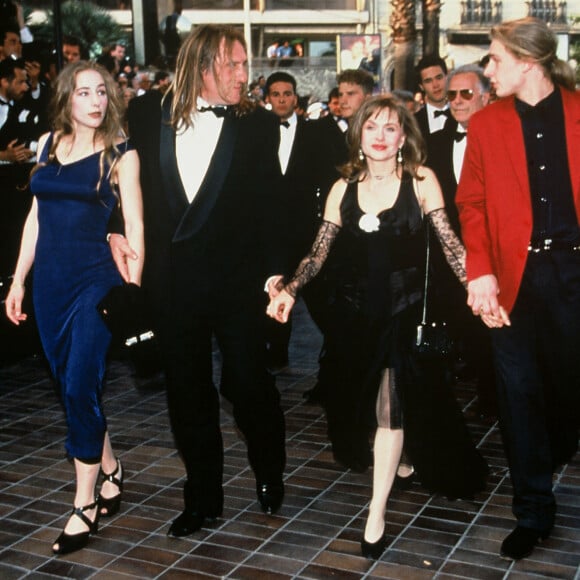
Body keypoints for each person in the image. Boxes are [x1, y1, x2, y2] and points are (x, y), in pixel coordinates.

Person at [267, 95, 488, 559]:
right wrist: (289, 289)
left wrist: (479, 287)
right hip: (358, 314)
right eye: (372, 128)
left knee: (390, 406)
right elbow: (318, 252)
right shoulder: (342, 188)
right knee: (363, 408)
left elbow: (450, 244)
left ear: (404, 136)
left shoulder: (422, 180)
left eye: (391, 128)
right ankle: (401, 458)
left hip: (406, 312)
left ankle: (376, 510)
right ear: (358, 135)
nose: (381, 137)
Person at [112, 24, 287, 538]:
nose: (244, 75)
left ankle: (269, 470)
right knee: (187, 394)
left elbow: (272, 208)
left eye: (245, 64)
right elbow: (123, 182)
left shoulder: (257, 126)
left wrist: (278, 274)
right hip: (172, 286)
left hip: (238, 283)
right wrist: (111, 232)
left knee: (249, 385)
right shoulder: (146, 113)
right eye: (234, 64)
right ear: (204, 64)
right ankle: (203, 497)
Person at [5, 60, 144, 555]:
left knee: (82, 382)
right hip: (50, 285)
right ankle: (109, 467)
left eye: (102, 92)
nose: (94, 101)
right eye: (83, 92)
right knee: (69, 387)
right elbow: (35, 219)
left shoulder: (121, 155)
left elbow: (135, 229)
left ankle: (83, 503)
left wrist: (133, 292)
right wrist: (19, 279)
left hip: (95, 285)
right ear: (66, 98)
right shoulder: (46, 145)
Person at [456, 17, 580, 561]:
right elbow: (472, 204)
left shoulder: (579, 112)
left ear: (528, 63)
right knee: (518, 397)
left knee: (567, 394)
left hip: (575, 278)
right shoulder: (486, 124)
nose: (489, 69)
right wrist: (479, 270)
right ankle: (533, 511)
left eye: (496, 59)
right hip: (512, 282)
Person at [426, 64, 497, 419]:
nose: (456, 100)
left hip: (492, 255)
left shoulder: (503, 141)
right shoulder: (435, 142)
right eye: (451, 94)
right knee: (452, 327)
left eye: (465, 93)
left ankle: (492, 396)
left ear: (486, 95)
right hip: (445, 257)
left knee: (489, 331)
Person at [263, 71, 319, 370]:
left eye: (287, 94)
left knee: (316, 292)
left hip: (306, 227)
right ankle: (277, 349)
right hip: (269, 227)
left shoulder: (314, 133)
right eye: (276, 94)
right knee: (274, 284)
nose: (282, 99)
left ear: (295, 98)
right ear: (267, 98)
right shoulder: (256, 132)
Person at [414, 55, 455, 152]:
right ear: (421, 86)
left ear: (447, 77)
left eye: (439, 78)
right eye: (428, 81)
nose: (435, 85)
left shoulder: (461, 115)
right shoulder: (414, 123)